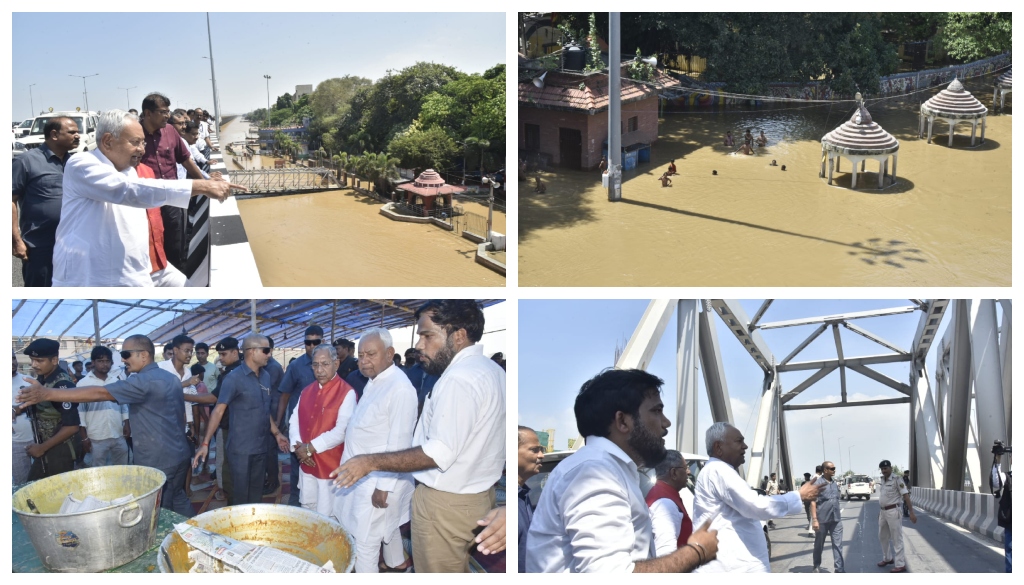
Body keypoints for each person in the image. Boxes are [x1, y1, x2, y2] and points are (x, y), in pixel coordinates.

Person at [331, 300, 506, 573]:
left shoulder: (458, 378)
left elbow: (438, 452)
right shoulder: (491, 371)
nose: (420, 346)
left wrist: (369, 463)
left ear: (458, 335)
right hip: (475, 495)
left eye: (427, 335)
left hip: (445, 503)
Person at [526, 368, 717, 572]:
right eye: (656, 410)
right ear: (623, 421)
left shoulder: (609, 468)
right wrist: (696, 551)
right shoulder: (595, 472)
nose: (666, 422)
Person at [50, 110, 244, 286]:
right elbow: (129, 190)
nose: (142, 149)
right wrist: (201, 186)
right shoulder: (82, 164)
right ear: (108, 141)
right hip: (93, 278)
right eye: (135, 142)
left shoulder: (129, 171)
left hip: (141, 272)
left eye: (143, 142)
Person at [17, 334, 194, 517]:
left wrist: (47, 394)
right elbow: (180, 416)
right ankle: (193, 533)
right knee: (178, 497)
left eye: (126, 354)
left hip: (158, 458)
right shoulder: (170, 378)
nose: (123, 359)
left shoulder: (143, 381)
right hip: (180, 453)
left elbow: (101, 393)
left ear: (143, 355)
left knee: (158, 509)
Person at [335, 329, 418, 573]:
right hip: (362, 476)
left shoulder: (400, 389)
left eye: (371, 354)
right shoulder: (376, 382)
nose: (364, 361)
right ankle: (395, 562)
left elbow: (400, 444)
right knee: (383, 528)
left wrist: (384, 486)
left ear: (390, 354)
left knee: (365, 543)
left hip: (378, 481)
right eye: (360, 355)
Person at [693, 422, 821, 572]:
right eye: (739, 441)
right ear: (718, 447)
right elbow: (755, 505)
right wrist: (798, 496)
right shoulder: (718, 470)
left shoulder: (716, 470)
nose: (745, 446)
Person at [193, 335, 288, 505]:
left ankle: (252, 528)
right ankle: (236, 530)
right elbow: (218, 411)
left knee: (256, 496)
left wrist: (277, 433)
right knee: (239, 498)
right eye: (266, 350)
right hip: (240, 451)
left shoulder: (265, 376)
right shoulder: (233, 378)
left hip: (261, 447)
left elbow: (265, 410)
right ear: (251, 352)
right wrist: (206, 443)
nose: (269, 354)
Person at [139, 94, 208, 272]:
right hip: (145, 200)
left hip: (172, 198)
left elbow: (186, 159)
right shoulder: (135, 134)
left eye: (168, 112)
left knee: (175, 238)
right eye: (163, 112)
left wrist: (205, 184)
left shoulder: (170, 131)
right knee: (150, 241)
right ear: (148, 113)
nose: (167, 116)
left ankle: (175, 272)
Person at [287, 343, 357, 517]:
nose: (319, 370)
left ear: (336, 364)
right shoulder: (306, 391)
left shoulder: (347, 393)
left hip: (330, 466)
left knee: (329, 517)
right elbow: (293, 421)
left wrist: (309, 448)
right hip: (307, 463)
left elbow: (341, 431)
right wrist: (299, 448)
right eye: (315, 365)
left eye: (325, 364)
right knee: (308, 510)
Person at [12, 116, 80, 286]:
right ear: (54, 135)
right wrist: (16, 240)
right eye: (72, 132)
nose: (77, 136)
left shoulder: (75, 163)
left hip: (72, 244)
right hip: (39, 246)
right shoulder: (26, 161)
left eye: (77, 132)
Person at [13, 339, 80, 480]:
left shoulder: (62, 384)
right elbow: (39, 403)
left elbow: (72, 426)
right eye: (32, 360)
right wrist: (17, 409)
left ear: (54, 360)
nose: (34, 365)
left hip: (61, 450)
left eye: (39, 360)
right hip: (47, 447)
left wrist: (41, 448)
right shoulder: (44, 377)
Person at [278, 325, 323, 506]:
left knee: (321, 466)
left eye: (316, 342)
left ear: (322, 342)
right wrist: (280, 422)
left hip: (324, 428)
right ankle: (296, 504)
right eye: (307, 343)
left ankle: (322, 504)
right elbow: (285, 395)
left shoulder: (330, 364)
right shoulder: (296, 366)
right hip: (300, 428)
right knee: (298, 466)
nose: (311, 346)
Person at [76, 346, 129, 467]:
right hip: (96, 436)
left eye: (107, 361)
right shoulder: (84, 384)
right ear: (93, 362)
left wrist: (126, 423)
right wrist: (84, 438)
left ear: (111, 362)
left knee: (123, 468)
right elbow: (80, 413)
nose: (104, 365)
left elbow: (123, 404)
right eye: (100, 361)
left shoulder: (116, 381)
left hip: (118, 433)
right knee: (98, 471)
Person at [646, 449, 695, 557]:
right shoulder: (665, 503)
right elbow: (665, 554)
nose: (689, 472)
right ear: (674, 473)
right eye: (685, 467)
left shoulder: (661, 494)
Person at [876, 459, 916, 572]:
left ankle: (900, 564)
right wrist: (880, 512)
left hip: (893, 511)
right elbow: (884, 497)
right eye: (882, 469)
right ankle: (887, 558)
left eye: (886, 468)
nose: (884, 471)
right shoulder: (882, 480)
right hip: (883, 512)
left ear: (890, 468)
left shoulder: (897, 479)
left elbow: (906, 496)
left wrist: (911, 512)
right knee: (882, 536)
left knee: (896, 538)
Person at [810, 461, 845, 573]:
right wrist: (814, 520)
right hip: (822, 520)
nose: (834, 470)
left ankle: (839, 569)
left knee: (838, 545)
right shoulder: (817, 484)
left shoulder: (834, 483)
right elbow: (813, 502)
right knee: (819, 545)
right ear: (825, 470)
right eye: (832, 468)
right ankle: (816, 565)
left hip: (836, 519)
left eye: (834, 468)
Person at [518, 426, 544, 573]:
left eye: (541, 450)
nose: (541, 455)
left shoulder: (524, 495)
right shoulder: (502, 500)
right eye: (535, 450)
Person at [12, 353, 34, 484]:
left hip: (36, 439)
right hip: (14, 444)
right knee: (22, 483)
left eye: (13, 358)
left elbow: (38, 401)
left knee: (41, 479)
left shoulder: (28, 380)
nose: (12, 362)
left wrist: (18, 409)